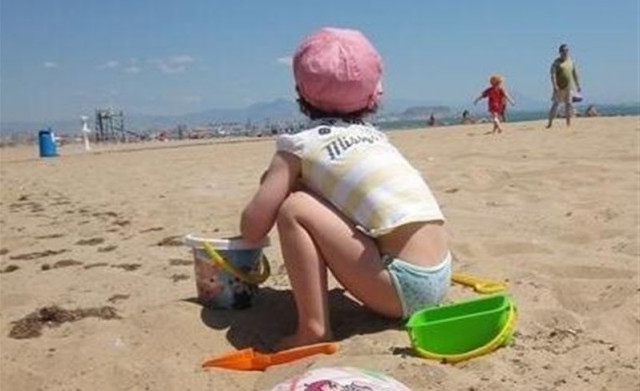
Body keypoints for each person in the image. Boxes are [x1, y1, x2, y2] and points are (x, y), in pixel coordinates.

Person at [240, 27, 451, 350]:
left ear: (301, 91)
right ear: (372, 93)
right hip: (439, 277)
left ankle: (312, 328)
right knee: (318, 201)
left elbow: (252, 230)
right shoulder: (376, 139)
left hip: (400, 289)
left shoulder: (300, 145)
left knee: (294, 208)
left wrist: (276, 180)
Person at [546, 44, 582, 128]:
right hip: (559, 87)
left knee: (569, 104)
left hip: (569, 87)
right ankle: (550, 123)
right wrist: (554, 85)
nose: (566, 52)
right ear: (560, 52)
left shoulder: (571, 62)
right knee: (556, 104)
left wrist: (578, 85)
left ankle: (568, 124)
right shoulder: (556, 63)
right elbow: (553, 75)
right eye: (564, 50)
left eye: (567, 50)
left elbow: (575, 74)